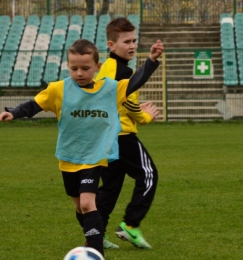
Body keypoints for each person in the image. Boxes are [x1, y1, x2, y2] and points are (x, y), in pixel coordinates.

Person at [0, 38, 164, 257]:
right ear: (68, 66)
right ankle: (93, 234)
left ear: (97, 67)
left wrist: (152, 60)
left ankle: (95, 252)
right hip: (68, 158)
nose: (79, 73)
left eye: (85, 68)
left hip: (94, 157)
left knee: (88, 203)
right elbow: (35, 104)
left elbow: (135, 81)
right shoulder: (59, 89)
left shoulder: (110, 89)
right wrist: (13, 112)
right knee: (80, 208)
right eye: (74, 68)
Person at [94, 17, 159, 250]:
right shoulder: (120, 70)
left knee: (111, 187)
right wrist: (145, 116)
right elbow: (126, 100)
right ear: (111, 45)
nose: (132, 46)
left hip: (106, 136)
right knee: (149, 175)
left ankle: (95, 235)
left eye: (134, 41)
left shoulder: (108, 68)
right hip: (122, 136)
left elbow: (115, 99)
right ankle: (131, 225)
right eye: (126, 41)